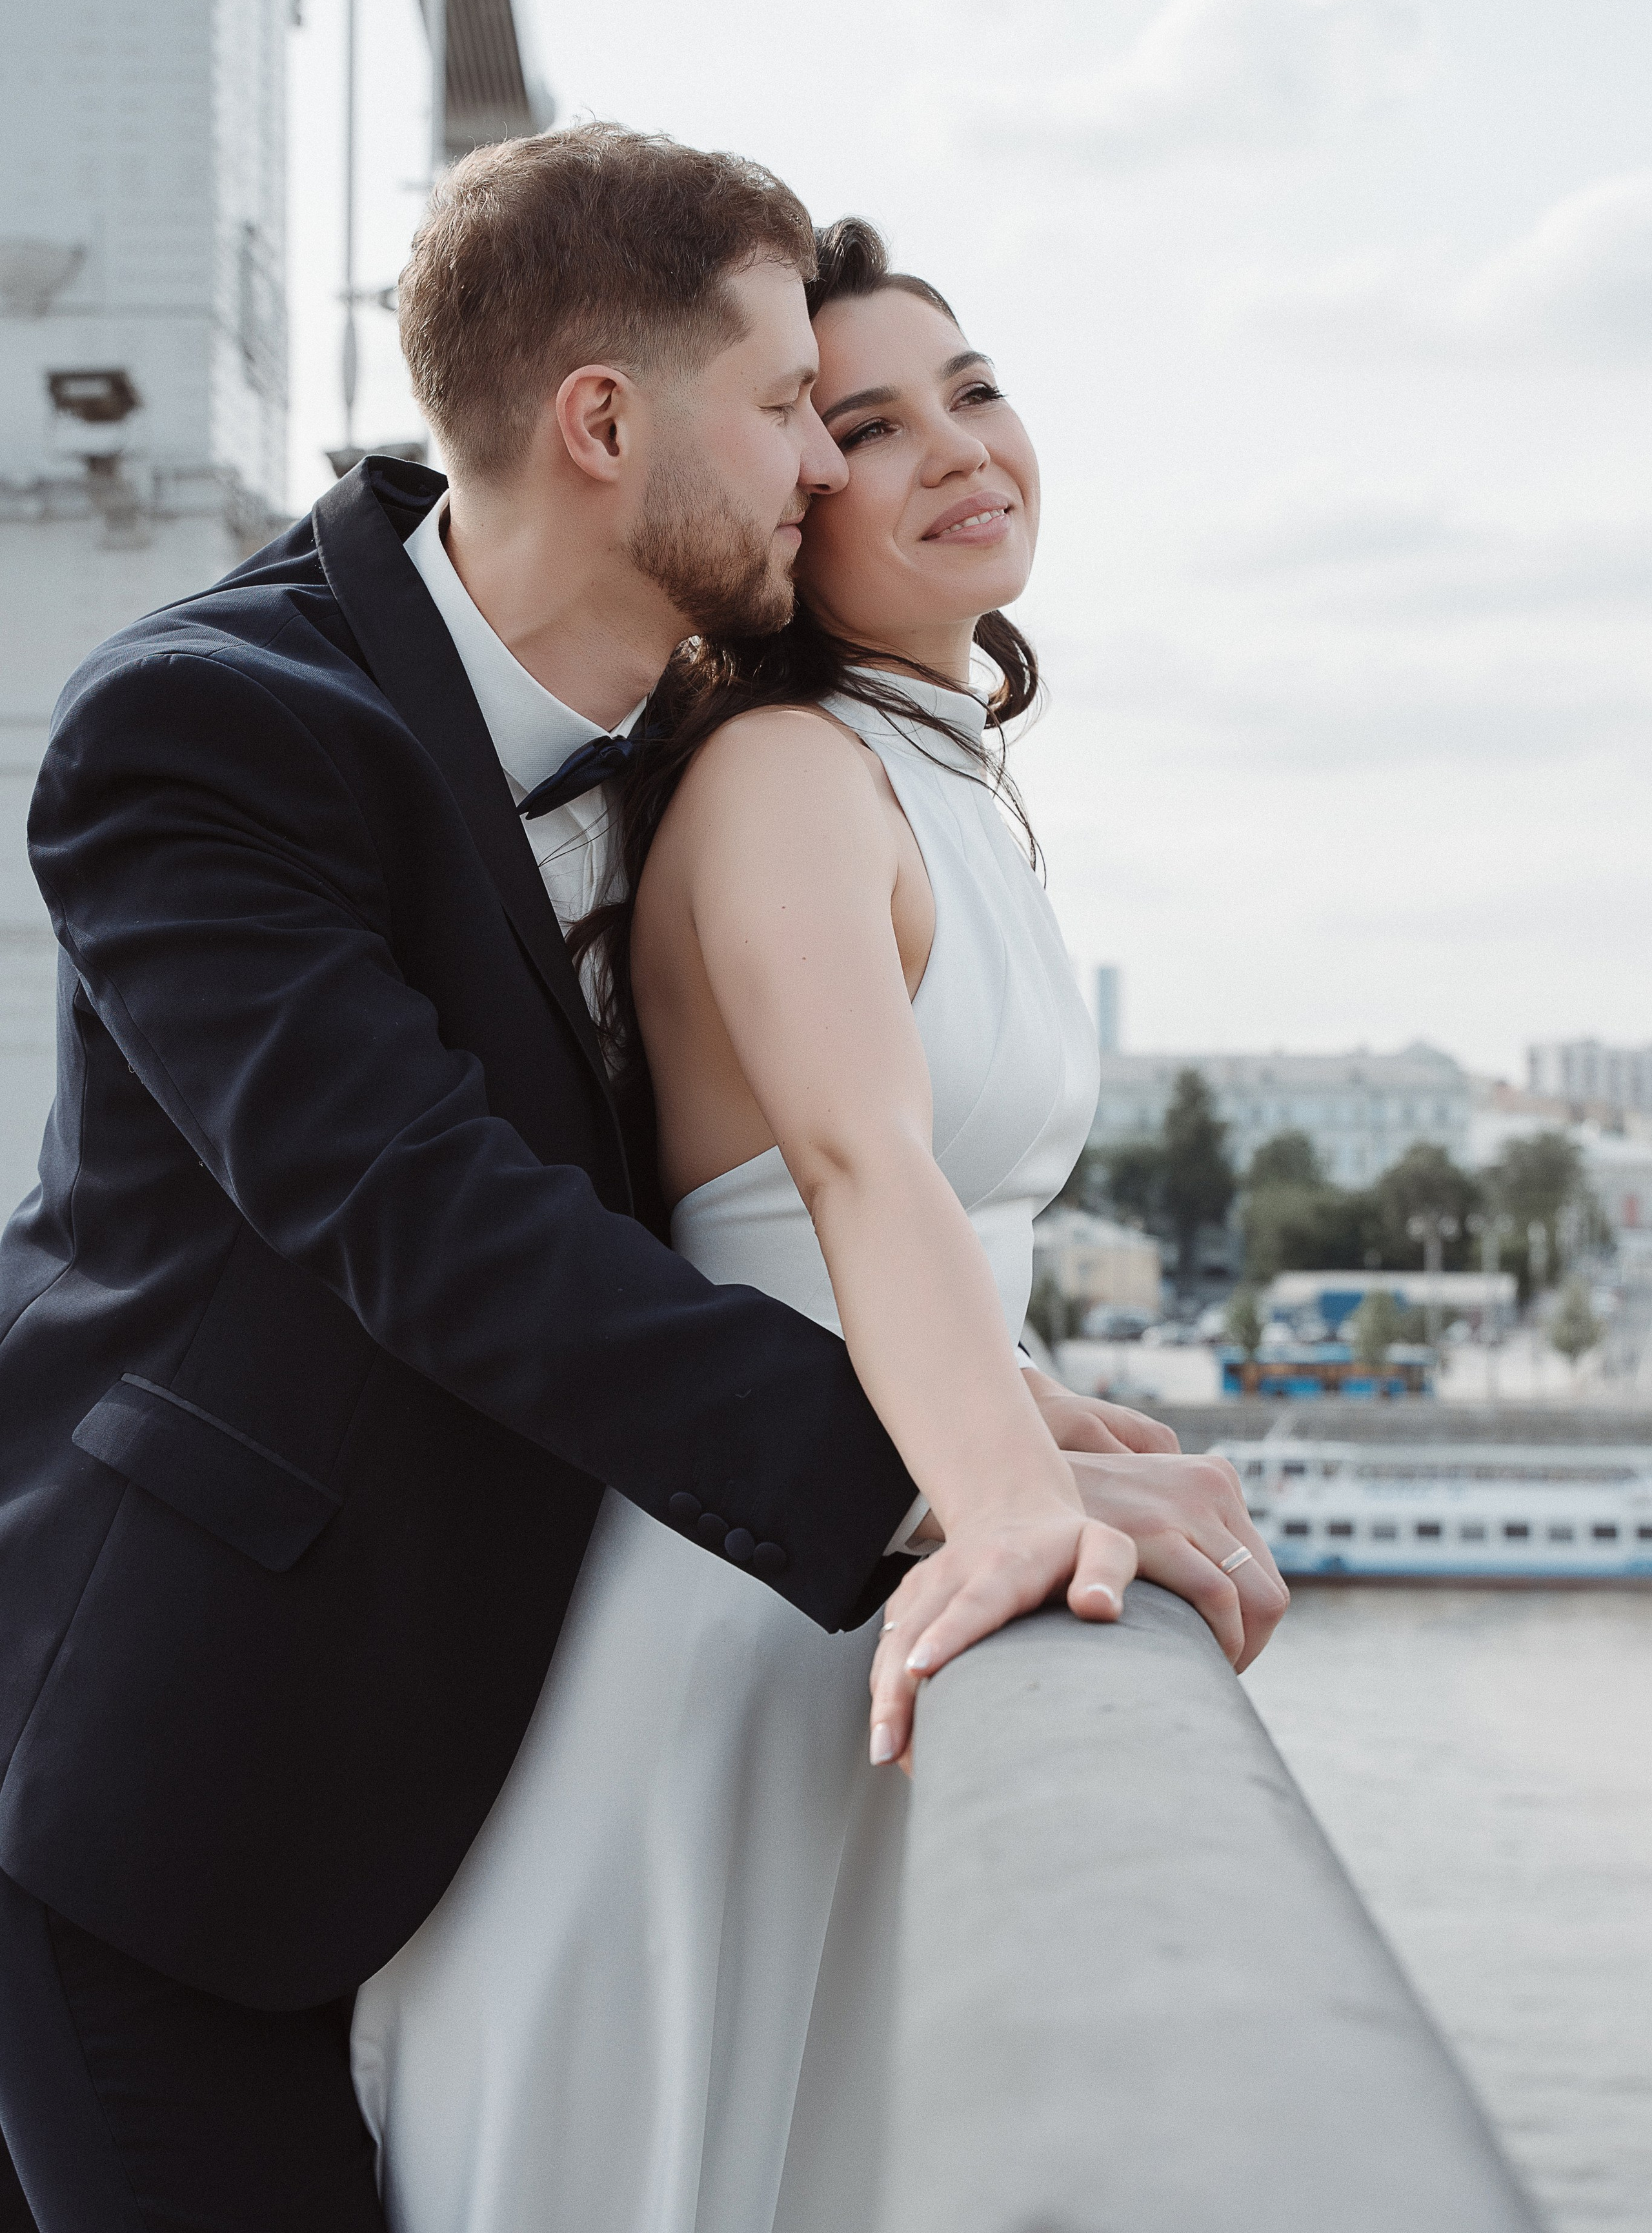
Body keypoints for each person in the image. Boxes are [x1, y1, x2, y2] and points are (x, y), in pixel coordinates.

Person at [0, 128, 1278, 2230]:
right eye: (791, 408)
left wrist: (1014, 1411)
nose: (822, 468)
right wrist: (930, 1481)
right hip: (187, 1784)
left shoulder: (697, 748)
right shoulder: (202, 731)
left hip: (518, 1747)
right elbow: (433, 1221)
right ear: (603, 423)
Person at [351, 215, 1287, 2232]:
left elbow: (909, 1205)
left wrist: (1035, 1417)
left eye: (975, 388)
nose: (957, 446)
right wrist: (1006, 1493)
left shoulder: (930, 769)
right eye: (852, 419)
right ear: (784, 495)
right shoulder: (789, 770)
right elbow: (853, 1171)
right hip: (731, 1604)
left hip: (852, 1566)